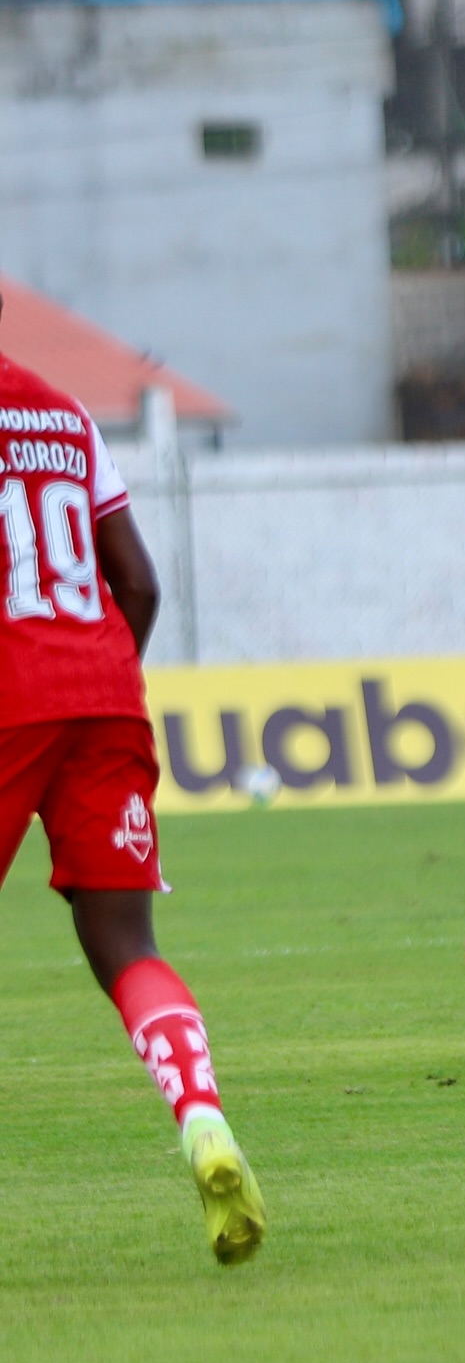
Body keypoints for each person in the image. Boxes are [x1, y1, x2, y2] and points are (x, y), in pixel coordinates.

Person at [0, 301, 265, 1264]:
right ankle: (201, 1117)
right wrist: (96, 679)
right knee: (126, 944)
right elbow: (140, 584)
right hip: (104, 695)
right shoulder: (65, 414)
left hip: (9, 694)